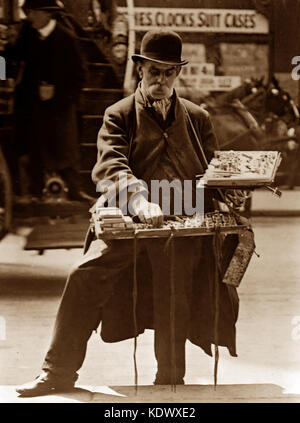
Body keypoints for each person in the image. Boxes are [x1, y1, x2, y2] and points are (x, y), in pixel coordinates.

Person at [16, 29, 242, 396]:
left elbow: (213, 170)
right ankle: (56, 372)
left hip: (184, 224)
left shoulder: (197, 118)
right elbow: (111, 166)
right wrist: (139, 201)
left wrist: (233, 188)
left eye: (170, 72)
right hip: (131, 219)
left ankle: (170, 381)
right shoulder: (118, 115)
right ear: (140, 70)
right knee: (84, 277)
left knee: (176, 293)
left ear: (178, 74)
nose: (161, 80)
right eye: (154, 71)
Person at [5, 0, 93, 201]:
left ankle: (75, 191)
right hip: (31, 106)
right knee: (33, 148)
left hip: (59, 109)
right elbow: (13, 58)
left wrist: (58, 94)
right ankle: (34, 193)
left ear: (46, 14)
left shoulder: (66, 39)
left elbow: (80, 75)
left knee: (65, 151)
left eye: (33, 12)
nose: (30, 16)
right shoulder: (28, 32)